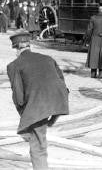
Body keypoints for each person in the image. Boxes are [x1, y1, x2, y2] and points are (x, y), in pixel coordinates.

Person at [7, 30, 69, 169]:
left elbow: (18, 96)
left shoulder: (14, 65)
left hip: (39, 105)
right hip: (59, 100)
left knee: (37, 146)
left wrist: (25, 117)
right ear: (29, 45)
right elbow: (62, 83)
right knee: (38, 134)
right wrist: (54, 114)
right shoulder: (48, 58)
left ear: (16, 48)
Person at [83, 3, 102, 78]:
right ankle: (101, 74)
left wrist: (87, 40)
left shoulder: (93, 18)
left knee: (94, 55)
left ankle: (93, 74)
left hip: (95, 39)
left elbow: (89, 30)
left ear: (99, 9)